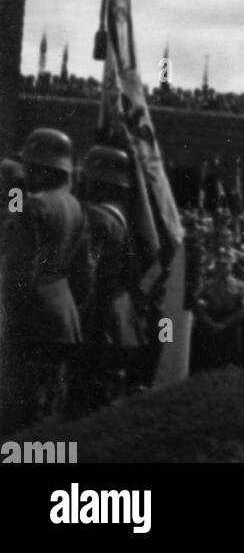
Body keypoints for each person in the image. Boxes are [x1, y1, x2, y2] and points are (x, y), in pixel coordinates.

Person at [0, 129, 91, 431]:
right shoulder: (75, 205)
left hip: (32, 319)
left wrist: (11, 319)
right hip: (63, 317)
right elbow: (83, 271)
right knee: (46, 409)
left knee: (20, 412)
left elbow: (19, 273)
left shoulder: (33, 205)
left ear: (41, 167)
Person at [73, 145, 146, 412]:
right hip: (120, 313)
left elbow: (86, 273)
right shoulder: (122, 216)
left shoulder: (96, 217)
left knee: (86, 399)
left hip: (97, 317)